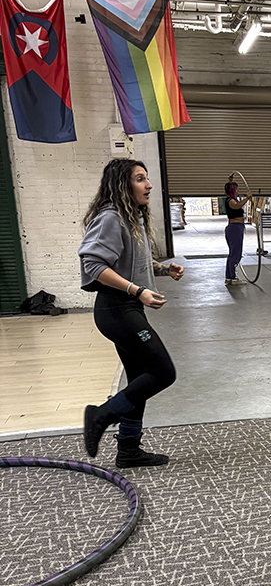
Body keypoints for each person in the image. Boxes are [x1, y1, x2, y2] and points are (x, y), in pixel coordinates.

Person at [78, 159, 184, 468]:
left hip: (126, 309)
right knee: (163, 372)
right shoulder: (110, 217)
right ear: (121, 185)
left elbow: (131, 261)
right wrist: (137, 291)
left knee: (139, 379)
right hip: (116, 309)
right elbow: (93, 265)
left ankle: (128, 449)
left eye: (147, 178)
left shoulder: (130, 217)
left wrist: (163, 269)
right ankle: (101, 415)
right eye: (139, 179)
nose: (148, 185)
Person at [224, 173, 252, 285]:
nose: (238, 190)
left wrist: (230, 180)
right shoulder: (231, 200)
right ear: (232, 190)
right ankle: (233, 278)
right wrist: (247, 198)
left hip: (236, 228)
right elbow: (236, 206)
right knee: (236, 254)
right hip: (234, 228)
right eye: (236, 189)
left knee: (233, 253)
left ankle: (229, 277)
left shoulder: (231, 199)